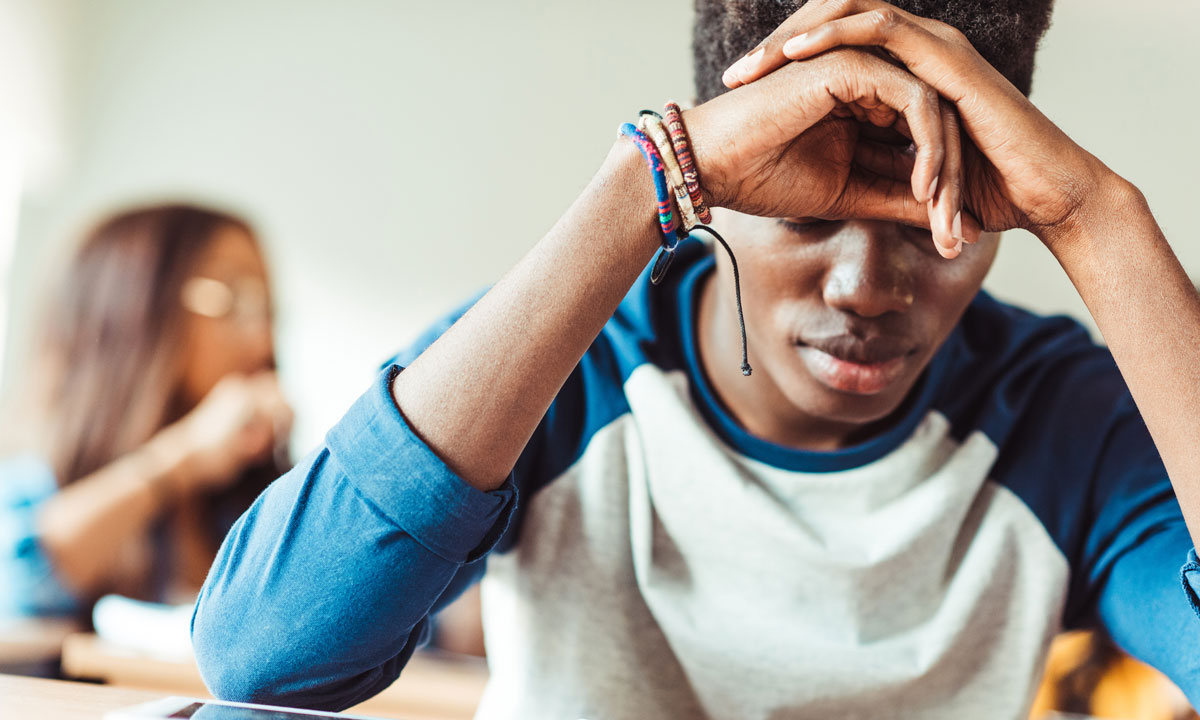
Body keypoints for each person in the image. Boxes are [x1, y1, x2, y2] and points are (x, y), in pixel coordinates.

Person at [192, 1, 1200, 718]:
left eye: (940, 221)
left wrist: (1103, 223)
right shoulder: (574, 350)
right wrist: (646, 181)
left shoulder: (1061, 413)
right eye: (808, 216)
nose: (865, 287)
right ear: (733, 180)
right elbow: (262, 662)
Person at [0, 204, 291, 625]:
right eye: (230, 299)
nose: (262, 338)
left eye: (265, 307)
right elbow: (20, 578)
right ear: (131, 308)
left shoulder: (244, 495)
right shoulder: (32, 473)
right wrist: (184, 455)